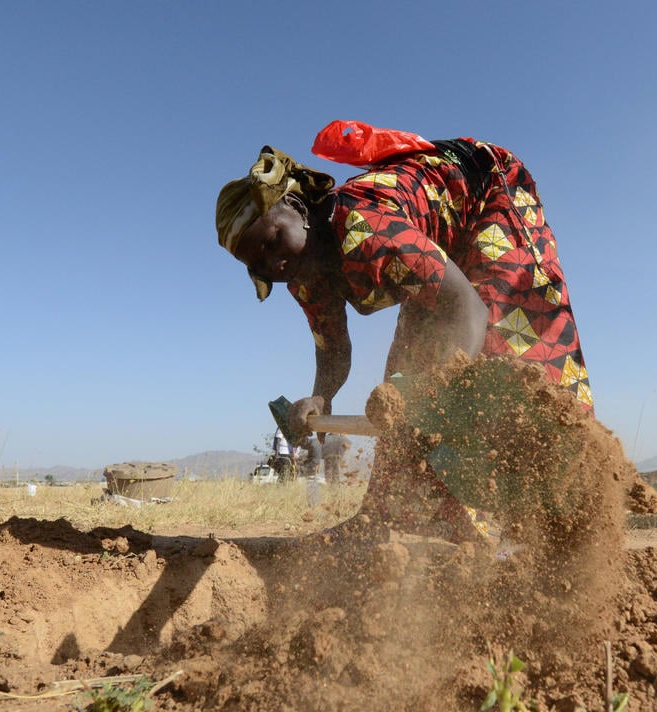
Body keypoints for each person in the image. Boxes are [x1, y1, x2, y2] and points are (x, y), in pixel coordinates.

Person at [216, 122, 589, 536]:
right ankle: (394, 519)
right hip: (434, 250)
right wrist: (323, 396)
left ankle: (564, 509)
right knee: (401, 381)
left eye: (272, 242)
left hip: (489, 193)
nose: (274, 265)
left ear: (300, 211)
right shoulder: (304, 279)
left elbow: (465, 307)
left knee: (506, 335)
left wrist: (435, 392)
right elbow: (333, 349)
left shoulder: (364, 228)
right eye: (258, 265)